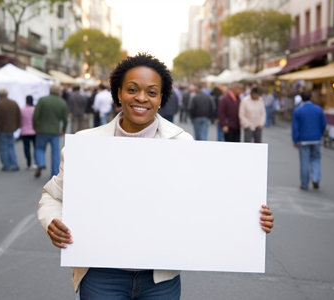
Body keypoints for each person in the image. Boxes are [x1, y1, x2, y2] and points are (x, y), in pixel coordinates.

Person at [37, 54, 274, 300]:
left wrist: (252, 221)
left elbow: (207, 203)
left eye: (152, 92)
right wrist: (52, 221)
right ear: (118, 93)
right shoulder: (87, 144)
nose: (141, 98)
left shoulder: (182, 143)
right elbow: (51, 196)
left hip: (159, 280)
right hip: (101, 275)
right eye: (132, 89)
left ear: (161, 99)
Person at [292, 91, 327, 190]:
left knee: (304, 162)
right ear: (311, 97)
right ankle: (315, 178)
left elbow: (295, 127)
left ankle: (304, 184)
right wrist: (320, 134)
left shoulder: (298, 110)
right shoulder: (318, 109)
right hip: (316, 139)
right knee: (316, 159)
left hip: (303, 139)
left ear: (302, 99)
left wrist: (295, 140)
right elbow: (324, 124)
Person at [33, 85, 68, 178]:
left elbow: (36, 115)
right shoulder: (62, 102)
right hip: (55, 131)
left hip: (42, 129)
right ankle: (54, 173)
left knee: (40, 148)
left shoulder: (42, 100)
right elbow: (65, 119)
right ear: (59, 92)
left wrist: (35, 126)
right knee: (55, 152)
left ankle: (40, 162)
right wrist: (63, 129)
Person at [0, 88, 20, 172]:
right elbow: (18, 116)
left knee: (3, 148)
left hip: (2, 130)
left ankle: (6, 165)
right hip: (11, 129)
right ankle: (14, 164)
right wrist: (16, 126)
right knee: (11, 146)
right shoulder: (13, 103)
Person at [20, 95, 36, 169]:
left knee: (26, 148)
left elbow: (20, 120)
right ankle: (36, 162)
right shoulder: (34, 109)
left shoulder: (22, 110)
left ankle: (28, 163)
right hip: (34, 131)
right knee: (36, 147)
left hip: (25, 131)